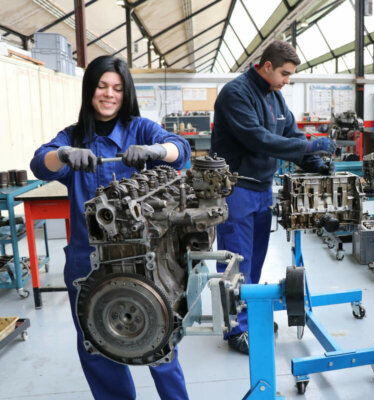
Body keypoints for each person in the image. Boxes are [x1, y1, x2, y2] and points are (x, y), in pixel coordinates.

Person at [30, 55, 191, 400]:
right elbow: (40, 163)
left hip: (141, 257)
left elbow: (181, 149)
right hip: (86, 260)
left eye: (117, 88)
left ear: (125, 92)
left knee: (160, 340)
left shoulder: (140, 128)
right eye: (102, 86)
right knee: (97, 343)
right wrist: (64, 154)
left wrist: (155, 150)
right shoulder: (73, 136)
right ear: (90, 89)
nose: (109, 94)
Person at [211, 40, 336, 354]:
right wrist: (309, 146)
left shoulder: (276, 97)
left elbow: (291, 134)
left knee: (255, 261)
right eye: (284, 73)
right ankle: (236, 329)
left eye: (290, 75)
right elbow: (258, 139)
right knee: (235, 263)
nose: (287, 80)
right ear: (267, 66)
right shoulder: (236, 93)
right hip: (236, 189)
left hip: (262, 190)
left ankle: (250, 318)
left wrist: (314, 162)